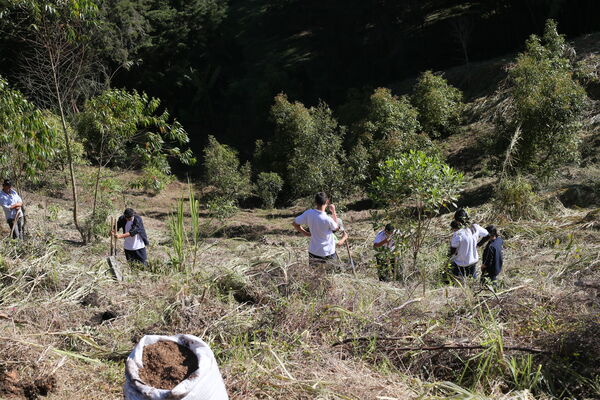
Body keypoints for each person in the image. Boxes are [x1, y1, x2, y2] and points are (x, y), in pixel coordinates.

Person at [292, 192, 340, 266]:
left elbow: (295, 223)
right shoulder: (327, 219)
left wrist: (305, 233)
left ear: (315, 202)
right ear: (327, 201)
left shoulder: (309, 213)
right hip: (328, 252)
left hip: (313, 251)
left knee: (314, 275)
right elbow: (336, 228)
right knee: (331, 274)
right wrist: (333, 212)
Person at [449, 209, 488, 279]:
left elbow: (453, 250)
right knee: (472, 279)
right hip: (473, 261)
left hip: (461, 263)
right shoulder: (475, 227)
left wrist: (449, 257)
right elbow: (487, 235)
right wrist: (478, 245)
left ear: (457, 221)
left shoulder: (458, 234)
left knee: (458, 280)